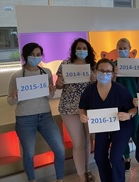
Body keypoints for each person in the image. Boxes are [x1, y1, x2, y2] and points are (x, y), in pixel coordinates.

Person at [7, 42, 65, 182]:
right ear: (25, 56)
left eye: (38, 55)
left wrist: (52, 91)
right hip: (24, 119)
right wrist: (14, 97)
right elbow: (10, 101)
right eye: (32, 54)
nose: (35, 57)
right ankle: (32, 180)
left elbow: (48, 96)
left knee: (60, 150)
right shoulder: (17, 76)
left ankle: (60, 179)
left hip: (45, 116)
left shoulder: (46, 73)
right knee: (29, 153)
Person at [78, 58, 137, 182]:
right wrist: (82, 115)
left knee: (115, 157)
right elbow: (82, 107)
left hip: (122, 126)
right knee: (99, 157)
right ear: (95, 71)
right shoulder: (90, 90)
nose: (104, 74)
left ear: (113, 73)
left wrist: (128, 116)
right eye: (101, 71)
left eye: (108, 71)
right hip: (102, 127)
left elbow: (133, 109)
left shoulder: (120, 90)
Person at [55, 38, 96, 182]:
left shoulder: (93, 66)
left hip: (88, 109)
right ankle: (81, 176)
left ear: (88, 50)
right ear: (74, 49)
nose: (82, 51)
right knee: (78, 143)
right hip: (69, 109)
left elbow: (99, 87)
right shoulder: (65, 64)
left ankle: (88, 170)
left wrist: (94, 80)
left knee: (88, 141)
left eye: (84, 48)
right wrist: (58, 83)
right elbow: (58, 86)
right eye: (79, 48)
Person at [113, 38, 139, 171]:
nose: (122, 50)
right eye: (120, 48)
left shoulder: (135, 65)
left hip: (133, 103)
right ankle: (126, 157)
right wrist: (113, 75)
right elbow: (109, 84)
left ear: (130, 49)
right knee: (121, 133)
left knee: (136, 131)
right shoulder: (113, 65)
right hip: (118, 104)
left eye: (125, 48)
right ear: (116, 49)